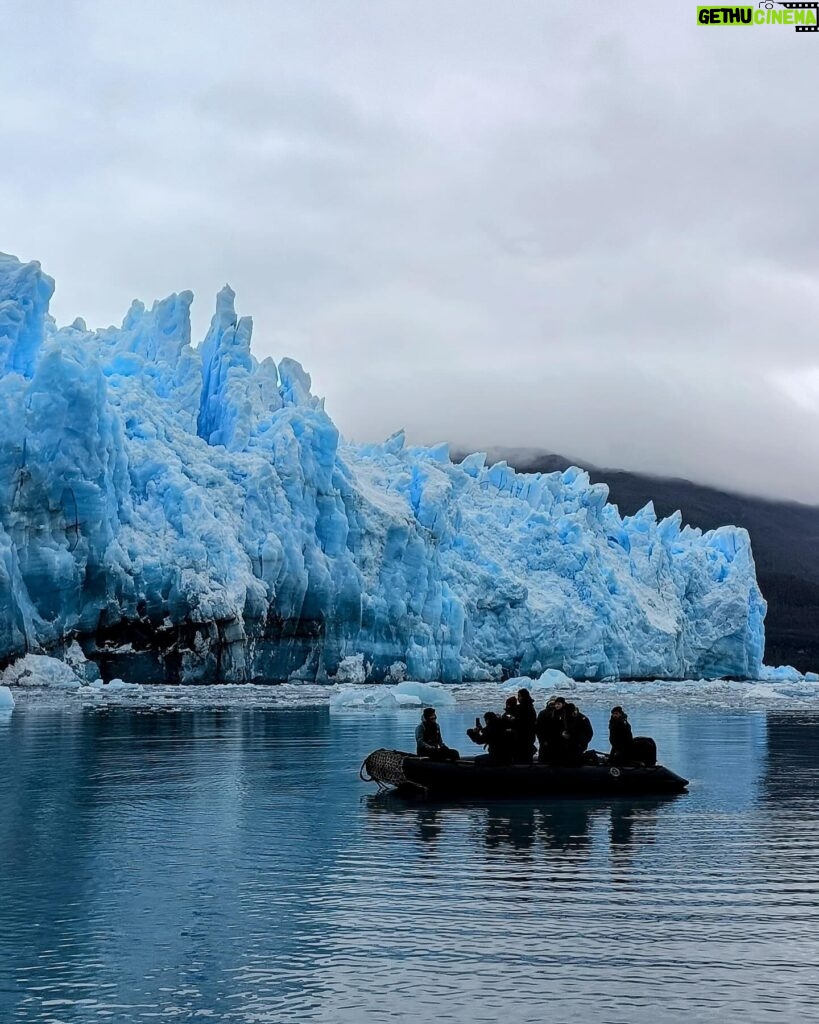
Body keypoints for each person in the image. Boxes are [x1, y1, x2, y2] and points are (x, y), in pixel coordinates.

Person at [535, 695, 569, 764]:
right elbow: (538, 728)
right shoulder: (543, 713)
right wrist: (542, 740)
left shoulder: (561, 714)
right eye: (552, 704)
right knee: (544, 758)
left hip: (556, 742)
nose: (553, 706)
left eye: (555, 704)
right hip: (545, 741)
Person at [514, 688, 537, 763]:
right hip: (528, 734)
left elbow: (523, 721)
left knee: (523, 754)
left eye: (519, 696)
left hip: (524, 735)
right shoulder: (530, 707)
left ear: (524, 697)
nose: (518, 698)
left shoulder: (524, 708)